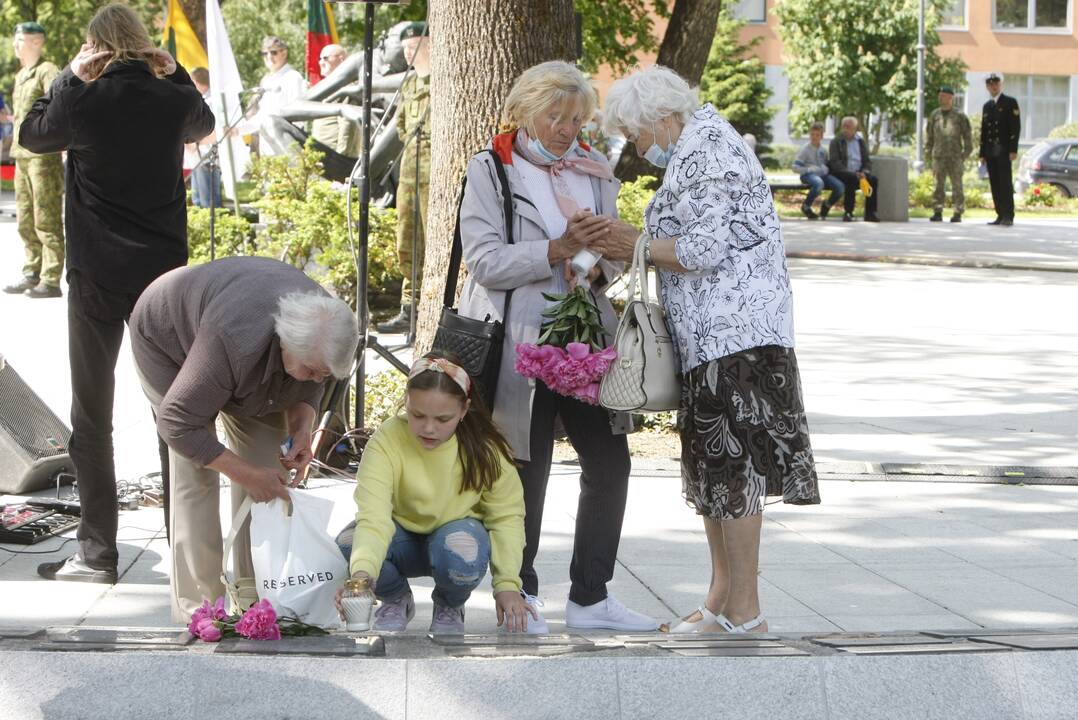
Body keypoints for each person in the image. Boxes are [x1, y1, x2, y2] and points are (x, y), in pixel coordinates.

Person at [595, 65, 821, 634]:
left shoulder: (708, 149)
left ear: (660, 118)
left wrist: (635, 242)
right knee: (716, 473)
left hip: (736, 338)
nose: (637, 148)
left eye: (636, 134)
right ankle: (721, 602)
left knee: (734, 470)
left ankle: (745, 611)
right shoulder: (698, 144)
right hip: (715, 338)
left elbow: (702, 246)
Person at [457, 60, 657, 632]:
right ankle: (520, 594)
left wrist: (595, 268)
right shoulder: (491, 169)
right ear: (523, 112)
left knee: (610, 459)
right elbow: (486, 261)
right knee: (528, 465)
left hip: (586, 338)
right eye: (557, 117)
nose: (569, 129)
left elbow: (614, 250)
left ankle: (591, 597)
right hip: (521, 339)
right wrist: (556, 248)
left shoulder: (593, 170)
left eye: (577, 118)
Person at [19, 3, 215, 585]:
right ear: (143, 42)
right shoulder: (171, 97)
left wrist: (65, 77)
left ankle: (97, 552)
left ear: (93, 45)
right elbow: (202, 124)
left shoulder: (79, 99)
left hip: (97, 276)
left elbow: (31, 134)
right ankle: (187, 550)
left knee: (92, 412)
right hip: (163, 277)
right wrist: (174, 71)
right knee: (172, 409)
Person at [128, 257, 359, 621]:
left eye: (324, 373)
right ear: (285, 342)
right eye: (312, 370)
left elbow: (311, 382)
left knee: (269, 473)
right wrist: (242, 472)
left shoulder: (325, 330)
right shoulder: (234, 339)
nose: (317, 378)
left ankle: (257, 599)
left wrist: (302, 430)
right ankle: (202, 609)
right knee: (196, 474)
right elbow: (176, 423)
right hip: (170, 340)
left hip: (244, 357)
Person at [334, 354, 536, 634]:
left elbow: (507, 518)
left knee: (464, 548)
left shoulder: (486, 450)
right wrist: (362, 577)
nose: (429, 428)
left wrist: (507, 585)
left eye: (443, 419)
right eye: (417, 415)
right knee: (348, 542)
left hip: (455, 541)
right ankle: (396, 598)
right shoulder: (387, 440)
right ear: (406, 401)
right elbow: (373, 516)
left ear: (464, 410)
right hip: (401, 538)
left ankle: (450, 604)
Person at [4, 21, 65, 299]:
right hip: (21, 155)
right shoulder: (21, 75)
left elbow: (59, 105)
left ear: (37, 42)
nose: (16, 45)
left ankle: (50, 278)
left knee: (46, 215)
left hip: (43, 157)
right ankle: (32, 270)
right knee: (26, 217)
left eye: (21, 40)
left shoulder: (48, 70)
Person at [377, 22, 431, 335]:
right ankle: (409, 308)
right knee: (406, 239)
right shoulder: (409, 84)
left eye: (415, 46)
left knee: (431, 237)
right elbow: (400, 127)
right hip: (409, 174)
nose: (409, 53)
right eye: (407, 48)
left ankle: (432, 304)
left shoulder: (442, 81)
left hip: (432, 173)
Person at [237, 36, 307, 157]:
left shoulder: (293, 78)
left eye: (273, 52)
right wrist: (238, 130)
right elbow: (262, 116)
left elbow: (300, 114)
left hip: (288, 147)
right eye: (265, 53)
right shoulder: (267, 81)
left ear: (284, 53)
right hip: (267, 147)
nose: (269, 57)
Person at [926, 85, 973, 223]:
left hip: (955, 157)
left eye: (943, 95)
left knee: (957, 186)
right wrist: (929, 154)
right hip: (939, 157)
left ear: (950, 97)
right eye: (939, 95)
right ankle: (937, 211)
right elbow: (929, 136)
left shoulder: (959, 116)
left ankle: (957, 212)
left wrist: (965, 154)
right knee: (938, 186)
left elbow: (967, 136)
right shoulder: (935, 115)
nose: (940, 97)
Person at [980, 71, 1020, 227]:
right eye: (990, 84)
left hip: (1003, 150)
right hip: (990, 151)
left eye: (996, 83)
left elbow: (1015, 128)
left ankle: (1008, 215)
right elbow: (984, 131)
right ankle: (999, 214)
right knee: (995, 183)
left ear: (1000, 84)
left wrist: (1013, 149)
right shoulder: (987, 106)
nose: (993, 86)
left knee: (1005, 183)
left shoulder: (1010, 102)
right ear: (987, 87)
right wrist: (982, 153)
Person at [310, 44, 359, 158]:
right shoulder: (326, 87)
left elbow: (348, 124)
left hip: (335, 157)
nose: (321, 62)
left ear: (341, 59)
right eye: (320, 58)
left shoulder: (346, 88)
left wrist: (341, 157)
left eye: (325, 58)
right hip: (321, 154)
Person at [828, 116, 880, 222]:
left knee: (873, 180)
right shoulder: (836, 141)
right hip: (843, 173)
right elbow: (835, 162)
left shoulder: (860, 142)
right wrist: (852, 173)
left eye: (849, 127)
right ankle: (848, 212)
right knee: (850, 179)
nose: (846, 129)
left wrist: (865, 172)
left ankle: (870, 213)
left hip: (860, 173)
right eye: (844, 126)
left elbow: (867, 161)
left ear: (855, 129)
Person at [793, 121, 844, 220]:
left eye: (817, 135)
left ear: (822, 136)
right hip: (808, 175)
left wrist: (826, 168)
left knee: (840, 187)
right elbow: (795, 167)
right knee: (818, 183)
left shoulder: (823, 150)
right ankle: (806, 206)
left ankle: (827, 205)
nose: (814, 137)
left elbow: (826, 164)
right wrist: (808, 169)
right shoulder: (805, 149)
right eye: (812, 134)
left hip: (822, 175)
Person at [188, 66, 223, 209]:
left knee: (209, 202)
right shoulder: (201, 100)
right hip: (198, 157)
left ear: (196, 82)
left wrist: (194, 144)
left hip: (208, 157)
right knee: (198, 200)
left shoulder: (213, 101)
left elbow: (217, 131)